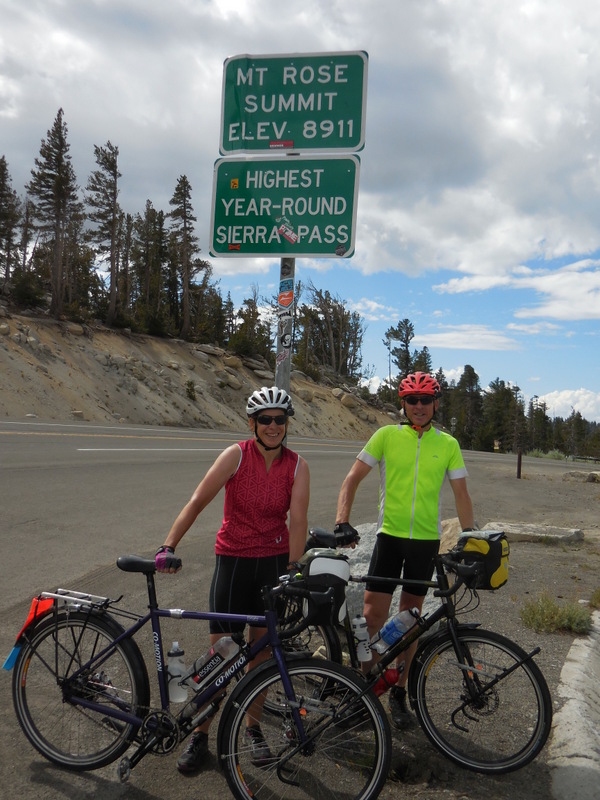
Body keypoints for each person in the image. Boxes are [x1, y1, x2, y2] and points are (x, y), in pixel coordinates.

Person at [155, 386, 310, 773]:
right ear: (252, 423)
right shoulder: (235, 456)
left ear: (287, 423)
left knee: (258, 659)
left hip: (272, 565)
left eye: (280, 419)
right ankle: (201, 734)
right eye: (265, 420)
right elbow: (197, 501)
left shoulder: (297, 465)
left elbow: (299, 520)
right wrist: (168, 544)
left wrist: (293, 566)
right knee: (221, 655)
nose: (273, 426)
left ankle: (253, 731)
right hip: (233, 563)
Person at [334, 371, 475, 729]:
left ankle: (399, 688)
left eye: (425, 400)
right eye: (412, 400)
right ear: (403, 403)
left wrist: (472, 536)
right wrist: (342, 521)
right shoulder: (385, 436)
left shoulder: (448, 444)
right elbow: (351, 479)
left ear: (435, 404)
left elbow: (461, 494)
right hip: (389, 538)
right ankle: (366, 684)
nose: (418, 406)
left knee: (410, 619)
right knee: (372, 615)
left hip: (425, 542)